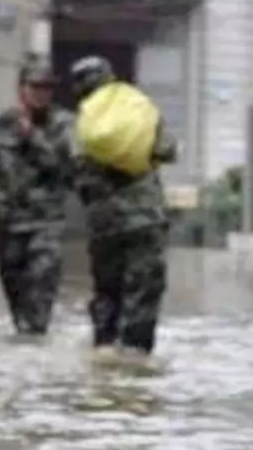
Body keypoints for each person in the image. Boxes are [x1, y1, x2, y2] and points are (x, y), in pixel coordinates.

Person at [67, 56, 176, 357]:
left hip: (104, 224)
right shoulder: (138, 110)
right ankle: (135, 365)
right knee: (142, 294)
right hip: (145, 219)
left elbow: (73, 173)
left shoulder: (79, 125)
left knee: (106, 293)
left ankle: (104, 351)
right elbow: (168, 149)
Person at [0, 57, 77, 336]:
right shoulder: (0, 125)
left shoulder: (64, 124)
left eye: (47, 88)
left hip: (46, 225)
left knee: (40, 297)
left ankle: (36, 352)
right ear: (21, 89)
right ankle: (24, 356)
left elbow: (67, 169)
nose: (42, 93)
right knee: (17, 304)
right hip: (10, 224)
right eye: (36, 86)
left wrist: (33, 139)